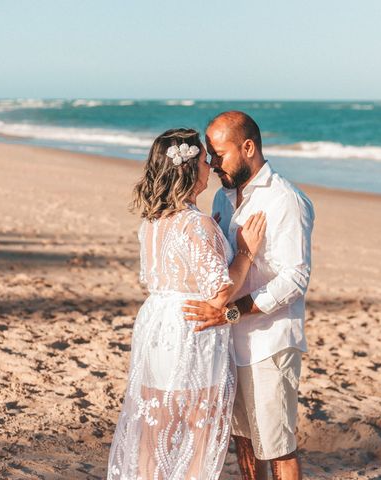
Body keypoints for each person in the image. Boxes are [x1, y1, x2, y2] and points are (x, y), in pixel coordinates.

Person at [107, 128, 266, 480]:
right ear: (190, 169)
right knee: (196, 429)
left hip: (156, 326)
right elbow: (220, 294)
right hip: (191, 329)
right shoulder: (197, 225)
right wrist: (245, 253)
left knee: (154, 427)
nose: (211, 164)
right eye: (204, 160)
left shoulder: (151, 222)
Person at [182, 112, 314, 480]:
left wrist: (231, 312)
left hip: (270, 342)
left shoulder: (285, 200)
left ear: (248, 147)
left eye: (218, 154)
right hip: (228, 343)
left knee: (277, 446)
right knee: (242, 440)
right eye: (208, 154)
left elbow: (294, 280)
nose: (211, 163)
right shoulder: (223, 200)